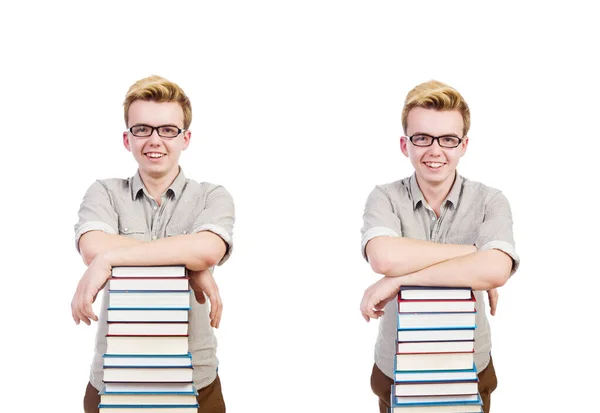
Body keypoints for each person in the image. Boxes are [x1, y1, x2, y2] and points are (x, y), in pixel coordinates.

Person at [72, 75, 234, 413]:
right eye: (142, 129)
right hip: (112, 380)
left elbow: (207, 250)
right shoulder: (104, 192)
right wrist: (188, 267)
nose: (154, 140)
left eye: (168, 130)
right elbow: (92, 247)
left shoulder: (212, 196)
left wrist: (110, 259)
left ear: (185, 137)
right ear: (127, 138)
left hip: (196, 382)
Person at [359, 80, 520, 413]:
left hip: (470, 366)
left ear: (463, 145)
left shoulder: (491, 200)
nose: (435, 151)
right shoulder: (384, 197)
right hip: (397, 367)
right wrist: (473, 251)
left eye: (448, 139)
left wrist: (400, 279)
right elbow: (384, 257)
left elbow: (496, 270)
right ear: (405, 145)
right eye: (422, 138)